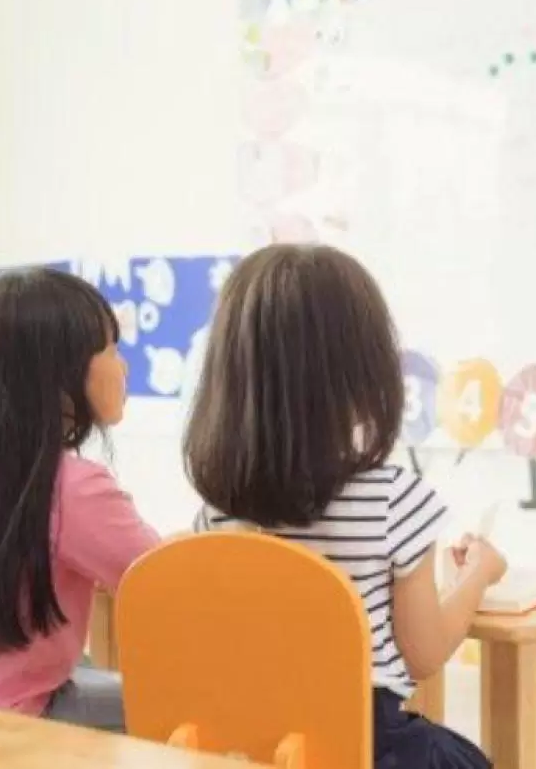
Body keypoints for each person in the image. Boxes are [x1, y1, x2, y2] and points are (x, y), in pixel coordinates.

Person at [184, 243, 503, 769]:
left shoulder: (216, 513)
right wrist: (478, 576)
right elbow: (424, 654)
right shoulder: (393, 501)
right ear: (364, 371)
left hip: (252, 750)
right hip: (365, 749)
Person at [0, 267, 161, 732]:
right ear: (59, 374)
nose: (123, 366)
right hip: (26, 722)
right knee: (189, 704)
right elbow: (166, 581)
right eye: (110, 349)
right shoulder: (74, 487)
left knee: (91, 671)